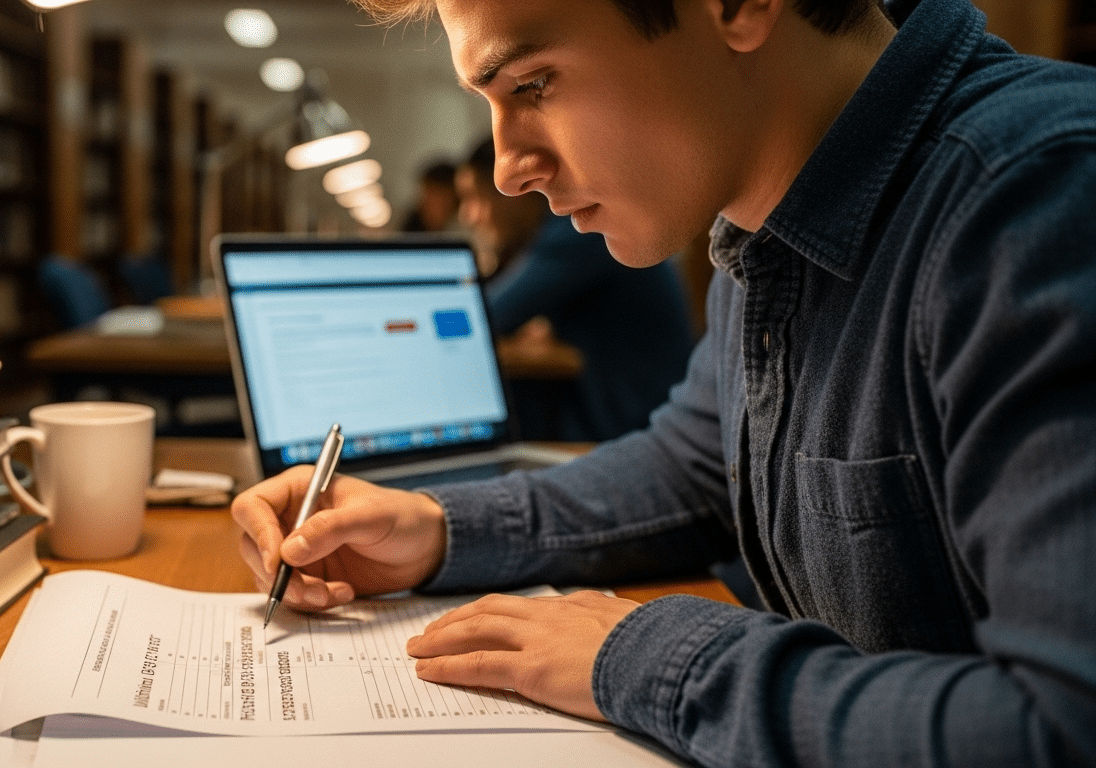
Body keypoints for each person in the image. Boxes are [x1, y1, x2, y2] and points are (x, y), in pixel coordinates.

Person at [232, 0, 1096, 765]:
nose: (505, 170)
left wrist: (648, 657)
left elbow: (1059, 728)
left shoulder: (1040, 197)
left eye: (533, 84)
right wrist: (436, 529)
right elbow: (695, 464)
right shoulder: (762, 210)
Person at [459, 136, 695, 441]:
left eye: (475, 197)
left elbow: (488, 316)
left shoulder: (578, 231)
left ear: (517, 189)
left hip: (637, 428)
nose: (468, 216)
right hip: (640, 413)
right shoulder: (568, 232)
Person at [400, 160, 461, 232]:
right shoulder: (410, 225)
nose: (423, 201)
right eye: (425, 193)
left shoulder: (463, 230)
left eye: (433, 193)